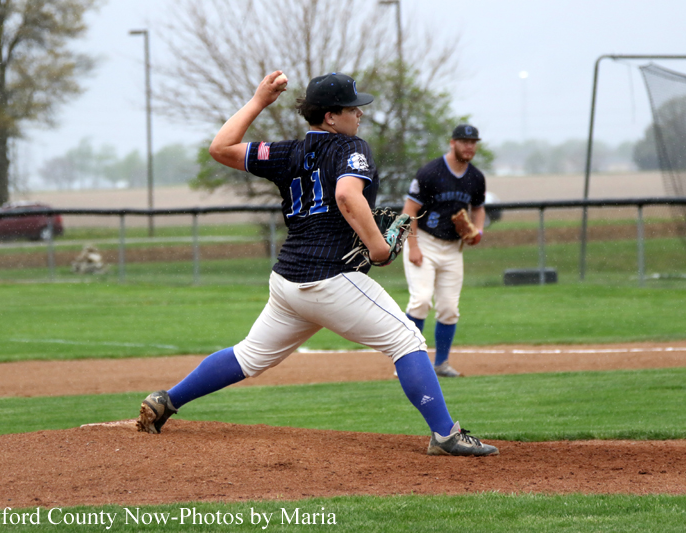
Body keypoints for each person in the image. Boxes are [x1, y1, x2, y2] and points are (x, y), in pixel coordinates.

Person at [135, 72, 498, 457]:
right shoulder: (350, 147)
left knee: (250, 356)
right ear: (330, 117)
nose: (359, 114)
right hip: (330, 278)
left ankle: (166, 400)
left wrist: (259, 101)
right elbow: (346, 194)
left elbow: (220, 147)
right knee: (406, 339)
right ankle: (445, 434)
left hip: (288, 282)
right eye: (352, 108)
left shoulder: (287, 152)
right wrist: (377, 247)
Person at [401, 124, 487, 378]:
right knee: (421, 301)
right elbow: (409, 211)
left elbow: (479, 207)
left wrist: (478, 231)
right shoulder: (431, 172)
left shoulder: (476, 177)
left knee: (449, 308)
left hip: (452, 249)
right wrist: (413, 246)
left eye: (473, 142)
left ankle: (441, 364)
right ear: (452, 143)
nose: (469, 146)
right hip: (424, 242)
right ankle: (408, 364)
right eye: (464, 141)